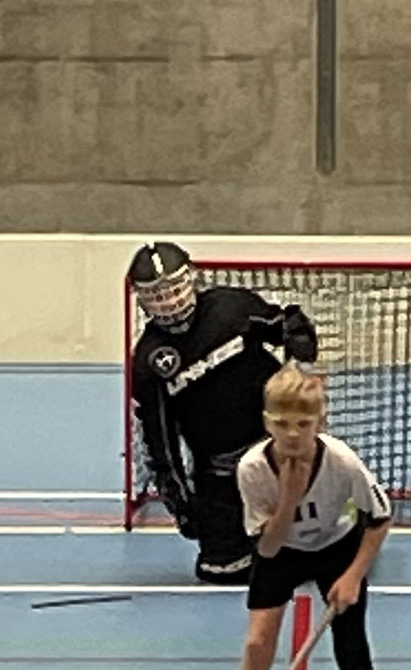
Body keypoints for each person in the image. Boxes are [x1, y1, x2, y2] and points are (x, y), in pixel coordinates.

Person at [220, 362, 398, 670]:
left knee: (352, 646)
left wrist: (353, 576)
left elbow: (380, 518)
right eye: (282, 423)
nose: (293, 434)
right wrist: (289, 497)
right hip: (281, 551)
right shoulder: (252, 469)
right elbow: (267, 548)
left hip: (338, 547)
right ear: (267, 422)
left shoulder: (341, 461)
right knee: (257, 645)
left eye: (303, 424)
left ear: (321, 421)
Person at [128, 242, 319, 585]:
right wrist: (180, 500)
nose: (169, 301)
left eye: (173, 288)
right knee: (219, 568)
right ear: (142, 300)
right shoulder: (149, 360)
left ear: (191, 279)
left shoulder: (231, 307)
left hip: (279, 444)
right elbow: (160, 439)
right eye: (156, 295)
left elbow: (285, 324)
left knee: (325, 538)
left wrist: (299, 344)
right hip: (219, 467)